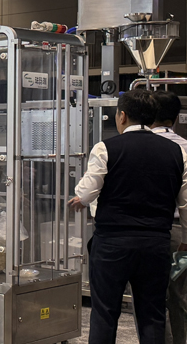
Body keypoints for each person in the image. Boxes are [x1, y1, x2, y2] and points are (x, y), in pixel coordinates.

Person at [68, 88, 187, 343]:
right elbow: (185, 203)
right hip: (156, 243)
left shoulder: (106, 148)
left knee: (104, 314)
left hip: (113, 244)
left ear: (122, 116)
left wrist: (80, 198)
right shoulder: (176, 151)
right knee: (152, 314)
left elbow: (87, 192)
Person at [150, 90, 187, 344]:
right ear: (175, 118)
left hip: (147, 232)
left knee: (150, 297)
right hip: (178, 232)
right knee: (180, 296)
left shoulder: (135, 146)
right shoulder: (184, 147)